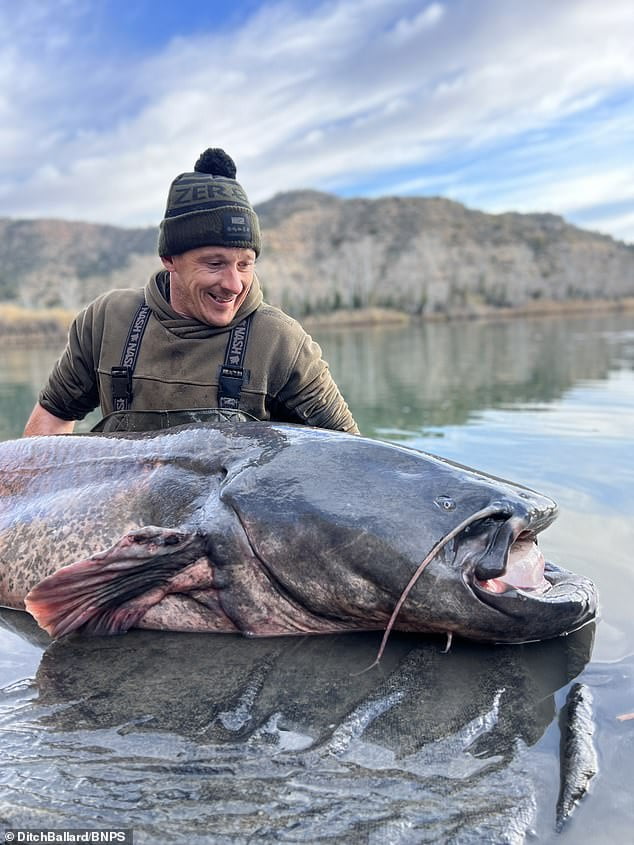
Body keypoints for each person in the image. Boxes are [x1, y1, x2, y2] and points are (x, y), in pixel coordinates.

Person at [23, 147, 359, 436]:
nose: (234, 284)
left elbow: (351, 458)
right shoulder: (107, 321)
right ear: (169, 258)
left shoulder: (280, 341)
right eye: (215, 264)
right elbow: (50, 423)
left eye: (245, 264)